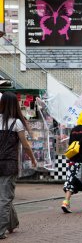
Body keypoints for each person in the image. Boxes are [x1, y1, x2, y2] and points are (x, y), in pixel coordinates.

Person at [0, 91, 37, 240]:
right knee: (5, 198)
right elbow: (26, 145)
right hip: (9, 164)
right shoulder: (17, 123)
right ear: (15, 104)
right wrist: (33, 159)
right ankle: (1, 230)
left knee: (4, 196)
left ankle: (12, 223)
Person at [61, 105, 82, 213]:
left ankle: (65, 202)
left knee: (71, 181)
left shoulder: (73, 130)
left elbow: (71, 145)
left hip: (73, 160)